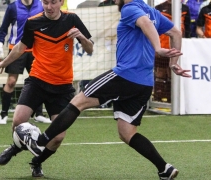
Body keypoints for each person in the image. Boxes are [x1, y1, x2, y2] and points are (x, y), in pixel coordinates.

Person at [27, 0, 191, 179]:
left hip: (125, 75)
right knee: (126, 132)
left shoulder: (130, 8)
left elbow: (144, 24)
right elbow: (175, 32)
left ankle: (40, 141)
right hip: (144, 83)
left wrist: (158, 49)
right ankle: (164, 168)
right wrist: (173, 64)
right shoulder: (152, 12)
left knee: (77, 102)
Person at [0, 0, 93, 177]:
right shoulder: (34, 22)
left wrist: (82, 37)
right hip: (37, 81)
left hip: (63, 87)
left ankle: (36, 162)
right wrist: (4, 62)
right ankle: (15, 147)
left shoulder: (72, 19)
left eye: (53, 2)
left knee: (58, 137)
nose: (49, 7)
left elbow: (90, 49)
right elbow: (20, 48)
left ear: (61, 2)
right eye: (46, 2)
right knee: (17, 121)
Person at [0, 0, 51, 125]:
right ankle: (3, 113)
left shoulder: (41, 5)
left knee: (39, 81)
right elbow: (3, 29)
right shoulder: (12, 7)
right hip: (16, 49)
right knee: (11, 81)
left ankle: (39, 114)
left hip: (36, 49)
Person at [154, 0, 190, 103]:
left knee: (172, 73)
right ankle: (158, 97)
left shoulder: (184, 8)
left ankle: (172, 99)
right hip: (162, 45)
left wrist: (185, 44)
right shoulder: (159, 8)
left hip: (177, 46)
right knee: (160, 71)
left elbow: (187, 29)